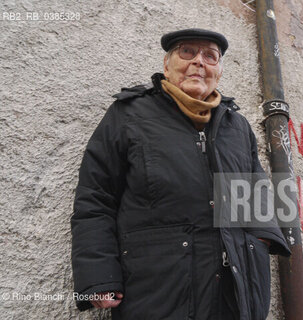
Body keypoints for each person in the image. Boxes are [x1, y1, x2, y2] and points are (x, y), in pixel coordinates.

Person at [71, 28, 291, 320]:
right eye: (187, 52)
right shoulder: (129, 115)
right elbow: (95, 197)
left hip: (235, 294)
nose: (199, 61)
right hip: (158, 292)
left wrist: (260, 244)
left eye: (210, 56)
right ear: (167, 65)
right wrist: (97, 277)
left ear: (219, 71)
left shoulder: (235, 126)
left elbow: (256, 194)